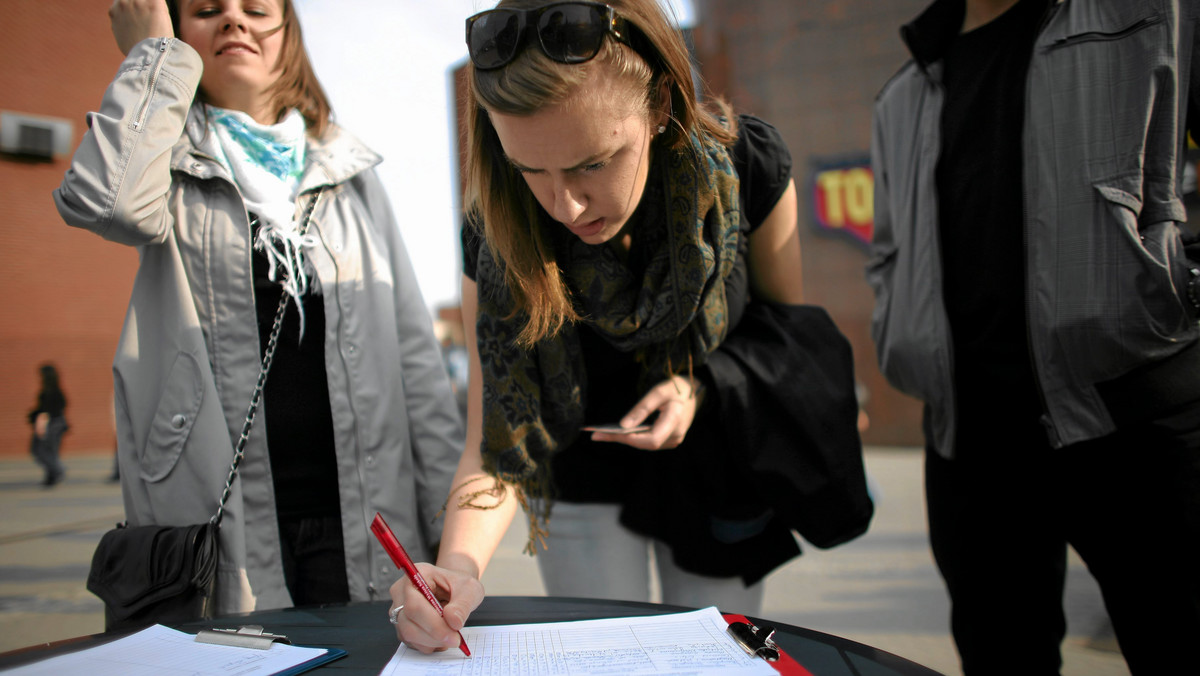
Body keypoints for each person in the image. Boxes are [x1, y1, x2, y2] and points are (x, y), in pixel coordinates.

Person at [390, 0, 869, 654]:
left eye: (592, 162)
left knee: (711, 661)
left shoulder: (748, 165)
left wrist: (701, 387)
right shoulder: (496, 226)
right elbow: (497, 435)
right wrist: (459, 570)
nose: (566, 205)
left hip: (717, 467)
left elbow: (783, 339)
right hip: (580, 479)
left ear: (659, 104)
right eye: (532, 170)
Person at [53, 0, 464, 615]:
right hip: (224, 532)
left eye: (256, 9)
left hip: (368, 522)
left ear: (287, 33)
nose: (234, 21)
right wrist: (154, 57)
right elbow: (105, 203)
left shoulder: (346, 170)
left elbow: (415, 359)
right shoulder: (168, 160)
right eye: (206, 9)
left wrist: (446, 531)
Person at [867, 0, 1200, 673]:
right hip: (970, 449)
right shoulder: (906, 90)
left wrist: (1182, 282)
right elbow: (887, 253)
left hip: (1139, 425)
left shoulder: (1151, 15)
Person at [28, 363, 68, 487]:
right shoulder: (58, 391)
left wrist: (40, 426)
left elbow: (45, 412)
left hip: (50, 424)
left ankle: (57, 470)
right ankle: (51, 476)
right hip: (59, 423)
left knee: (40, 450)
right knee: (51, 451)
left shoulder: (48, 392)